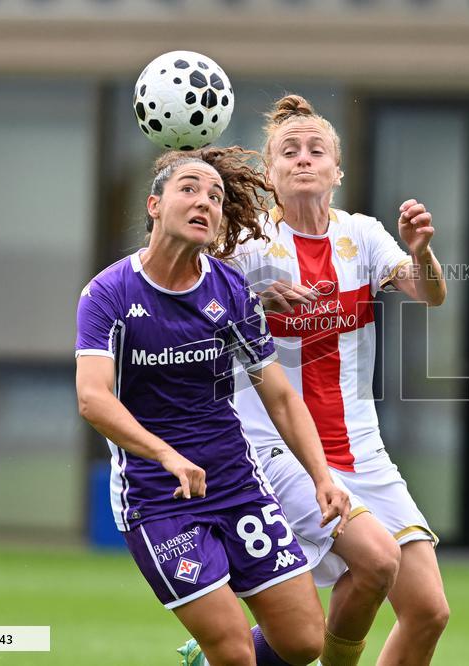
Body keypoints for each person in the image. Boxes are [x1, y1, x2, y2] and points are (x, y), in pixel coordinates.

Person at [182, 94, 450, 666]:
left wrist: (422, 253)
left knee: (428, 611)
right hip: (281, 451)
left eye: (316, 150)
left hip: (362, 449)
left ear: (337, 170)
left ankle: (236, 655)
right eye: (289, 152)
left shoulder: (364, 235)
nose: (304, 159)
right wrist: (253, 296)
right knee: (375, 562)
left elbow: (429, 292)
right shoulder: (248, 248)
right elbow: (183, 305)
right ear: (271, 173)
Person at [75, 149, 350, 666]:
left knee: (304, 641)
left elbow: (281, 396)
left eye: (216, 197)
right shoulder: (108, 293)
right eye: (190, 190)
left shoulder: (231, 291)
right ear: (154, 205)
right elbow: (92, 399)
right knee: (233, 651)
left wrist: (321, 476)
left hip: (234, 481)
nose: (205, 202)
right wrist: (167, 456)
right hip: (158, 495)